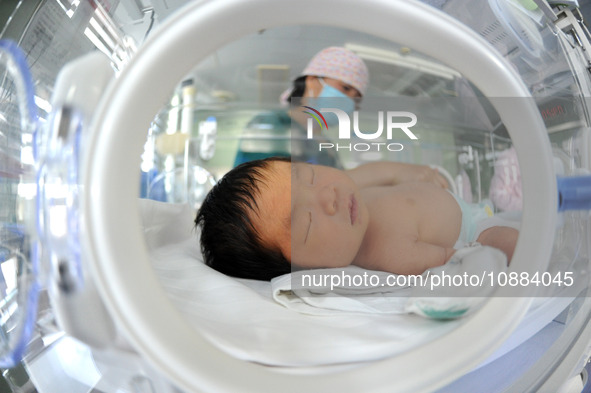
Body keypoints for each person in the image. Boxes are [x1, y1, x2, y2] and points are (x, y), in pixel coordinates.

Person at [195, 157, 519, 281]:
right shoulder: (389, 255)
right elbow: (453, 258)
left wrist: (409, 170)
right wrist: (473, 249)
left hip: (461, 197)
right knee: (508, 243)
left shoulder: (345, 186)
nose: (327, 196)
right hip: (475, 228)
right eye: (306, 223)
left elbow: (384, 170)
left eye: (307, 175)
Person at [233, 46, 369, 167]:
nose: (349, 100)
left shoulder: (325, 144)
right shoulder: (270, 123)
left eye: (356, 100)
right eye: (345, 88)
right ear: (312, 80)